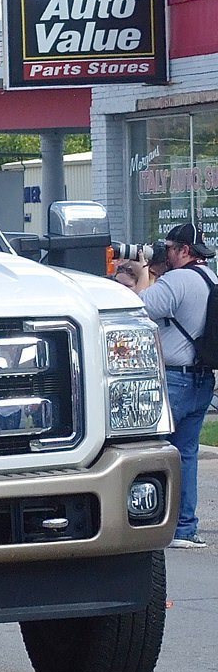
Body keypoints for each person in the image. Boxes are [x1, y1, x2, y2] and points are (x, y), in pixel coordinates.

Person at [138, 221, 215, 549]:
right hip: (202, 379)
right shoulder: (212, 278)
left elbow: (138, 307)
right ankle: (185, 527)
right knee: (186, 455)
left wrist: (142, 272)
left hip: (173, 378)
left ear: (185, 251)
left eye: (170, 248)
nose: (165, 253)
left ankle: (147, 525)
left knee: (151, 453)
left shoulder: (177, 280)